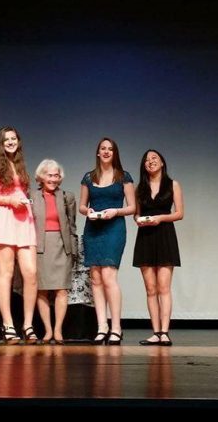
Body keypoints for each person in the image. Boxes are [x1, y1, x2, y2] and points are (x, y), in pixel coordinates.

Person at [0, 126, 38, 344]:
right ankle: (8, 325)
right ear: (0, 143)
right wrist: (10, 201)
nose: (11, 142)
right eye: (7, 139)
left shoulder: (20, 165)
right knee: (7, 272)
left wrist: (23, 201)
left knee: (31, 273)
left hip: (24, 220)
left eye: (14, 138)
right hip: (4, 217)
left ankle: (28, 325)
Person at [79, 137, 136, 345]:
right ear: (97, 152)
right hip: (93, 228)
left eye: (110, 149)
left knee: (109, 277)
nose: (106, 151)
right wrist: (90, 211)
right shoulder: (88, 176)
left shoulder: (123, 176)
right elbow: (82, 206)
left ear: (115, 153)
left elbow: (132, 207)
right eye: (102, 148)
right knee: (95, 278)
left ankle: (116, 328)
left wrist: (116, 211)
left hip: (114, 229)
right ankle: (102, 326)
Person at [132, 150, 184, 346]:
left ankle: (164, 332)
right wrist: (140, 220)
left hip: (164, 235)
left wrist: (160, 218)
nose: (150, 162)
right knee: (150, 289)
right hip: (145, 236)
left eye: (154, 158)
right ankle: (155, 332)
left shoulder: (173, 184)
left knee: (164, 287)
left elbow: (179, 213)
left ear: (162, 162)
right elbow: (136, 215)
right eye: (146, 160)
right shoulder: (140, 188)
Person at [30, 159, 77, 345]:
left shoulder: (68, 196)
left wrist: (73, 249)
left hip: (61, 245)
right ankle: (47, 330)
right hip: (40, 246)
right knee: (41, 290)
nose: (53, 179)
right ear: (41, 177)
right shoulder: (31, 195)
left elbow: (72, 225)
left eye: (56, 175)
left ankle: (58, 330)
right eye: (49, 175)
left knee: (61, 290)